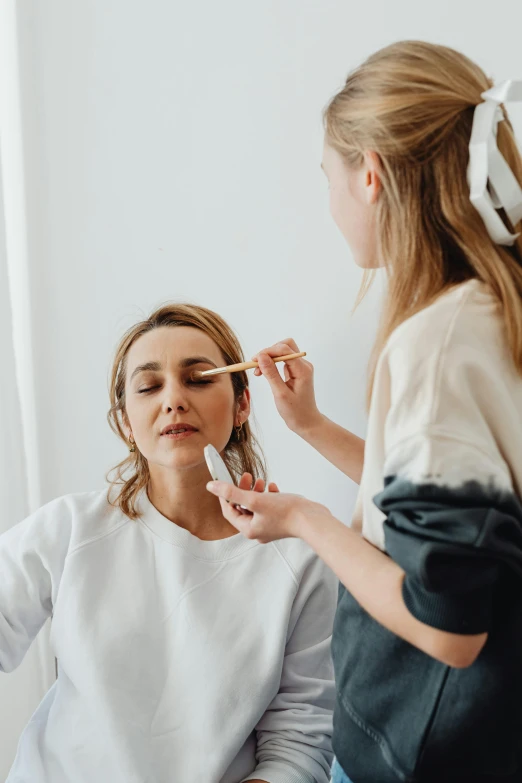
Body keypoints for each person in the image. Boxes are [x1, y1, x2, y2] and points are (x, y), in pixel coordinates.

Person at [207, 41, 522, 783]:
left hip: (427, 753)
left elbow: (449, 624)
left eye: (329, 178)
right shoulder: (494, 309)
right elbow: (467, 508)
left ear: (371, 175)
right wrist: (313, 425)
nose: (330, 204)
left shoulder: (436, 342)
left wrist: (302, 520)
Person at [0, 303, 336, 783]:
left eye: (200, 378)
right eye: (148, 386)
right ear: (125, 424)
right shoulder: (69, 529)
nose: (174, 399)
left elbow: (300, 745)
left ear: (242, 404)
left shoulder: (300, 559)